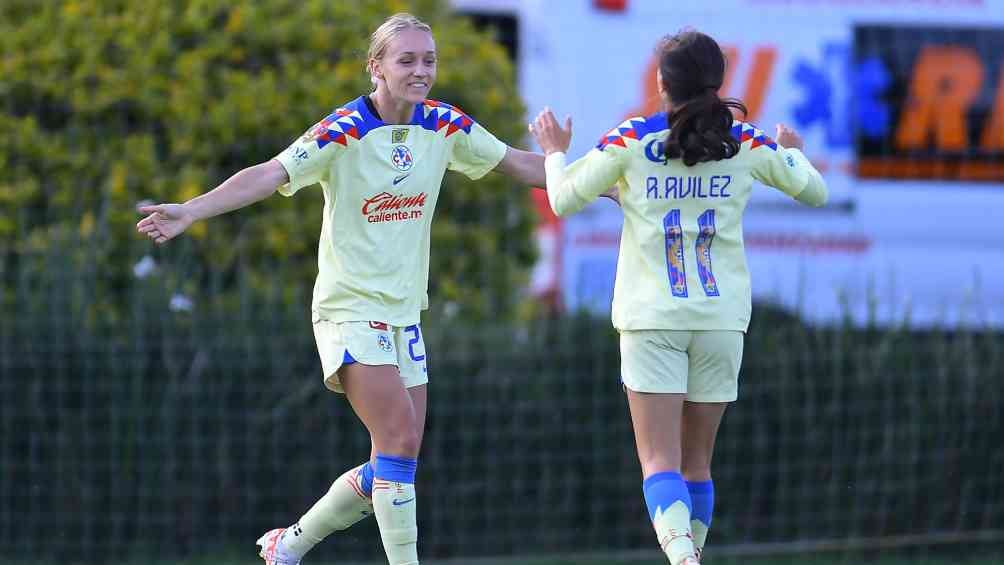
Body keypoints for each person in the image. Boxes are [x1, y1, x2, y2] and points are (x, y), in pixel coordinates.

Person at [137, 13, 550, 565]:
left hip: (405, 314)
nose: (421, 71)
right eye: (406, 60)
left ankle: (289, 545)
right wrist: (191, 210)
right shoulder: (344, 128)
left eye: (428, 60)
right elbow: (270, 172)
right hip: (348, 310)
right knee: (400, 441)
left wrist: (605, 181)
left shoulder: (445, 126)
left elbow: (520, 164)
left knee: (391, 461)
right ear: (375, 67)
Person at [529, 30, 827, 565]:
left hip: (652, 319)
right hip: (720, 319)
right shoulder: (747, 141)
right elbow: (815, 192)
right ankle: (690, 557)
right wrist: (793, 155)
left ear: (662, 81)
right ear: (719, 81)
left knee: (659, 463)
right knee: (697, 466)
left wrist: (554, 154)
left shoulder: (630, 139)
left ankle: (684, 559)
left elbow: (564, 198)